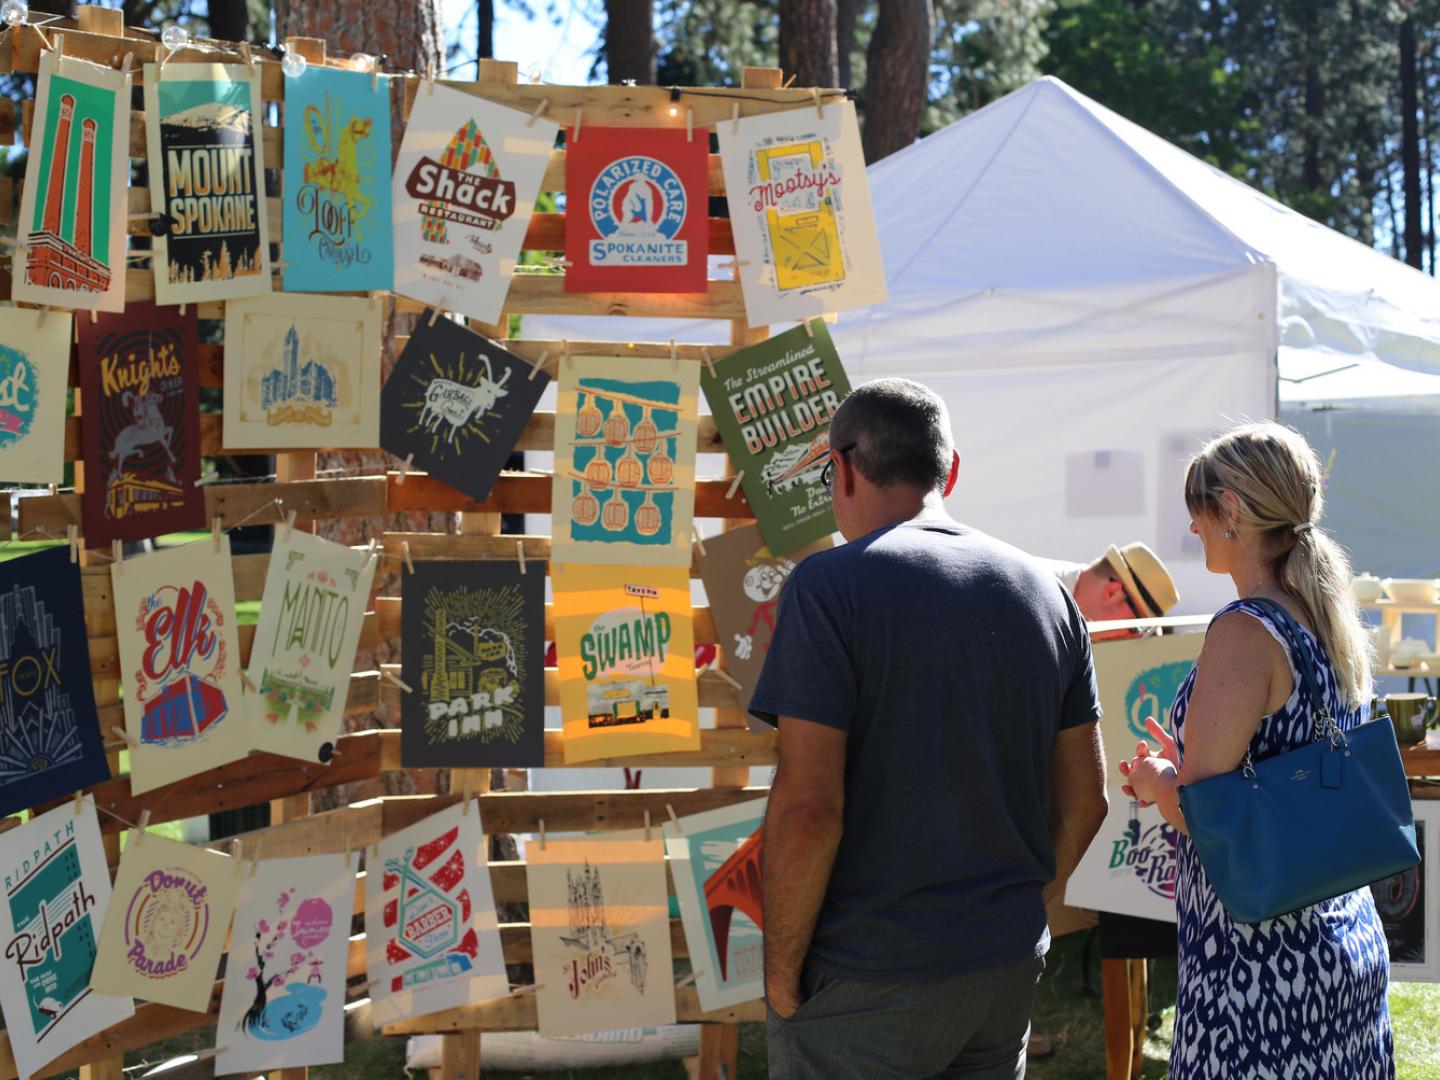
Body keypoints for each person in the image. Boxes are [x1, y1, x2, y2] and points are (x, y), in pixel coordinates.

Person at [750, 378, 1110, 1079]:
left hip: (867, 973)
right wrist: (1017, 907)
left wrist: (780, 973)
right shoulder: (1047, 595)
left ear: (846, 467)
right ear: (950, 469)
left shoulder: (829, 587)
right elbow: (1088, 801)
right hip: (1002, 965)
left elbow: (807, 809)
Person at [1119, 421, 1391, 1079]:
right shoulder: (1322, 617)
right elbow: (1288, 766)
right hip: (1341, 940)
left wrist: (1159, 780)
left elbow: (1209, 815)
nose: (1193, 529)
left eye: (1198, 510)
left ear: (1232, 510)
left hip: (1262, 968)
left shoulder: (1245, 630)